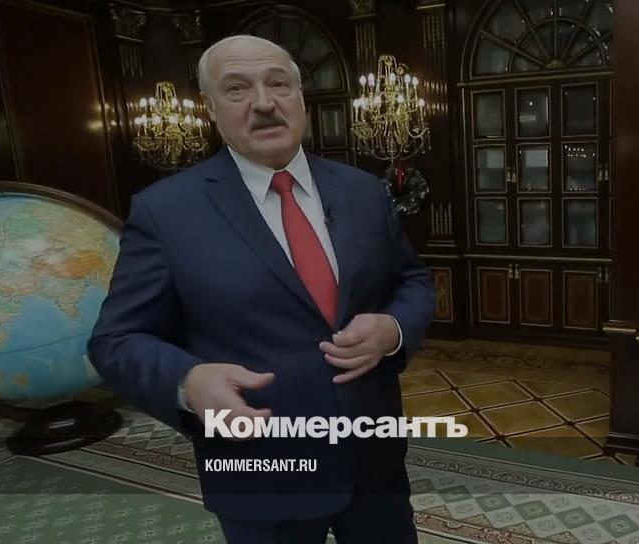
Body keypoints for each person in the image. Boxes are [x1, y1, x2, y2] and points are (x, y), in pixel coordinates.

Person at [88, 34, 434, 543]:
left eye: (278, 84)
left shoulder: (363, 191)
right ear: (210, 108)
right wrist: (188, 382)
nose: (265, 103)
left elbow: (412, 280)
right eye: (237, 89)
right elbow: (114, 341)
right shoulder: (165, 212)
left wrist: (394, 328)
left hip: (374, 461)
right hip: (259, 471)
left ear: (300, 97)